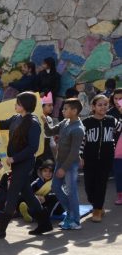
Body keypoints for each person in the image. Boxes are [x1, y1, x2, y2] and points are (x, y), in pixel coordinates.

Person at [0, 92, 53, 239]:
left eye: (18, 103)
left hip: (25, 164)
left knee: (12, 194)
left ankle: (1, 229)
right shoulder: (16, 118)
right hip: (16, 163)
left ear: (25, 105)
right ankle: (45, 223)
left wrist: (14, 158)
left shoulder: (34, 123)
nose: (15, 105)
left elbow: (32, 148)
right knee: (28, 194)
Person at [43, 98, 85, 231]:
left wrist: (63, 168)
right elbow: (49, 132)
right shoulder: (65, 122)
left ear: (75, 111)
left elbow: (74, 152)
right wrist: (45, 122)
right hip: (60, 162)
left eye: (66, 109)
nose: (62, 111)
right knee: (55, 187)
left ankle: (76, 221)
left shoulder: (78, 129)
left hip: (70, 165)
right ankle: (70, 214)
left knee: (72, 192)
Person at [80, 94, 119, 223]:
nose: (103, 107)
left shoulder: (112, 120)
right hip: (89, 158)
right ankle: (95, 203)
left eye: (105, 104)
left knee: (101, 184)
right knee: (89, 185)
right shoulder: (86, 122)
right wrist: (80, 156)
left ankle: (97, 209)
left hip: (106, 158)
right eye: (100, 105)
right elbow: (81, 142)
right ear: (93, 107)